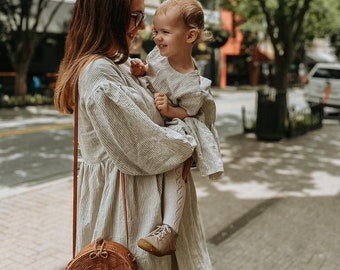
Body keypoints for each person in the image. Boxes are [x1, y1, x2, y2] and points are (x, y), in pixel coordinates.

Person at [54, 0, 213, 269]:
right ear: (108, 16)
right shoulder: (98, 72)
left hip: (149, 208)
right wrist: (191, 139)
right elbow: (148, 149)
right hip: (129, 213)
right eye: (135, 17)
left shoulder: (124, 64)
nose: (142, 26)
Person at [130, 0, 224, 258]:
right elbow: (152, 73)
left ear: (190, 36)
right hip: (151, 125)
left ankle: (168, 230)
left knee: (176, 167)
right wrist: (143, 69)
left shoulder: (192, 84)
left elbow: (190, 112)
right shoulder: (157, 57)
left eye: (165, 32)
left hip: (176, 126)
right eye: (156, 31)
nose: (157, 38)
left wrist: (172, 111)